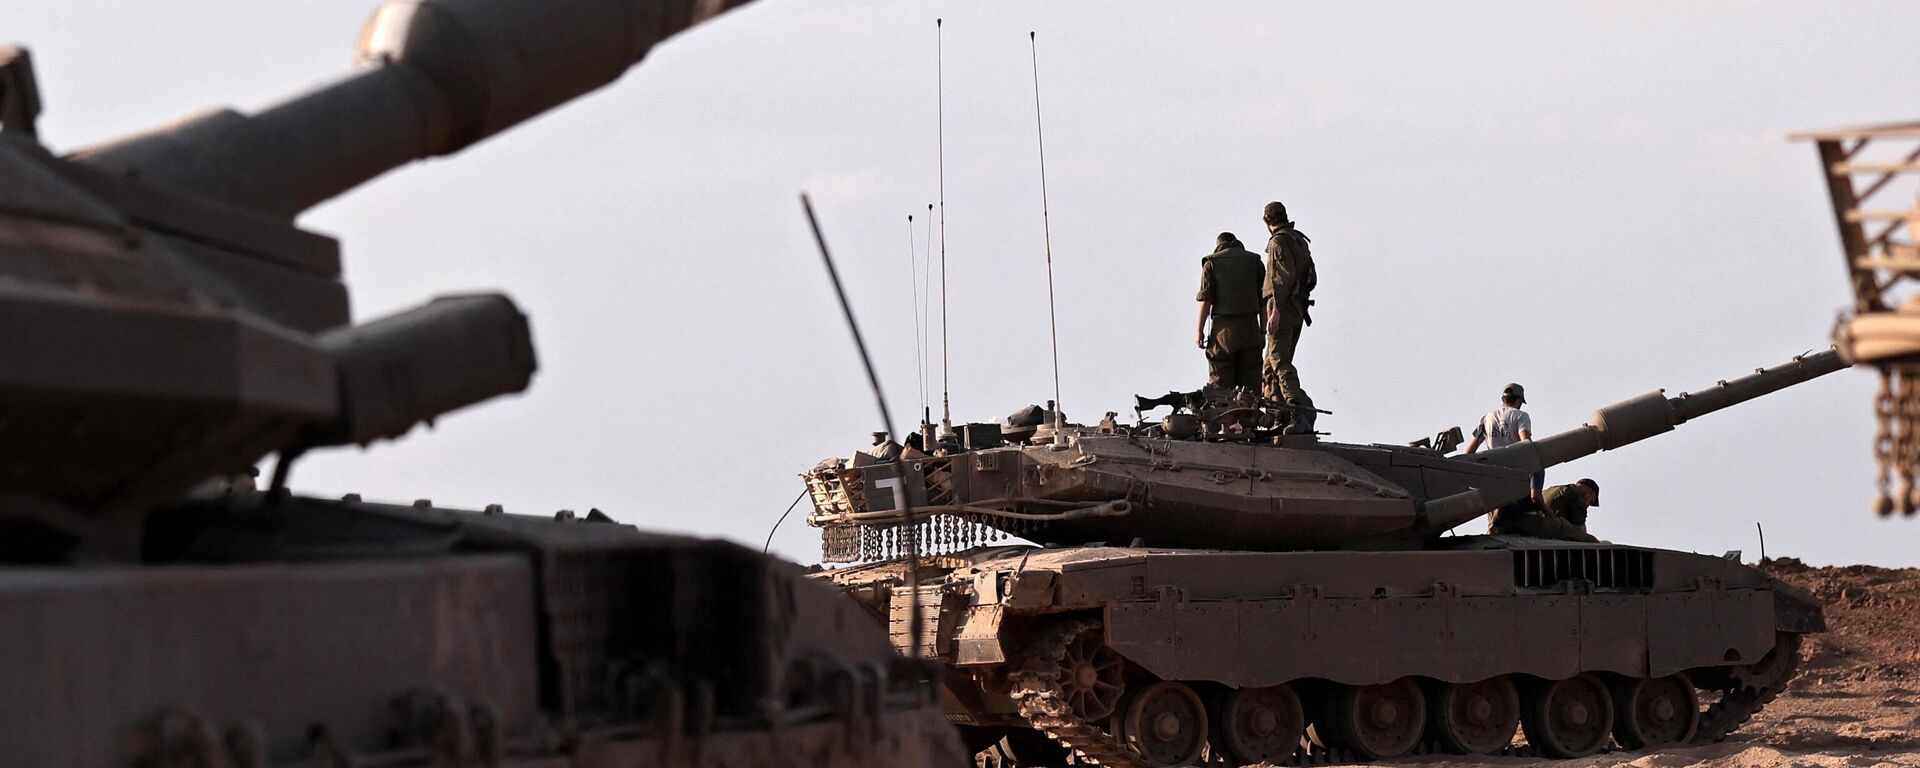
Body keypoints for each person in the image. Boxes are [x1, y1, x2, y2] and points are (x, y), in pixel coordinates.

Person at [1259, 201, 1317, 433]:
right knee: (1269, 369)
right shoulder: (1298, 240)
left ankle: (1299, 410)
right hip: (1297, 309)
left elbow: (1281, 279)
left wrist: (1275, 311)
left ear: (1267, 221)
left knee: (1279, 362)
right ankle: (1278, 416)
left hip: (1282, 308)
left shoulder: (1279, 242)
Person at [1195, 232, 1266, 389]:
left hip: (1223, 332)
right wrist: (1263, 331)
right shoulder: (1255, 262)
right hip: (1250, 329)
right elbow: (1264, 300)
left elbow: (1205, 301)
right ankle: (1248, 413)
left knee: (1221, 385)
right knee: (1250, 386)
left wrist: (1199, 331)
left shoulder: (1211, 263)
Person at [1463, 383, 1544, 506]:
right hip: (1516, 472)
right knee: (1538, 464)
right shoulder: (1520, 415)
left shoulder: (1486, 418)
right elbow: (1526, 444)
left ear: (1502, 399)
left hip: (1494, 473)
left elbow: (1469, 452)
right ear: (1519, 400)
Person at [1488, 479, 1600, 542]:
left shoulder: (1554, 489)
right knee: (1591, 541)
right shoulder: (1578, 495)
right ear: (1589, 494)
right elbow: (1578, 526)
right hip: (1540, 525)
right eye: (1591, 501)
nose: (1588, 504)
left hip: (1512, 523)